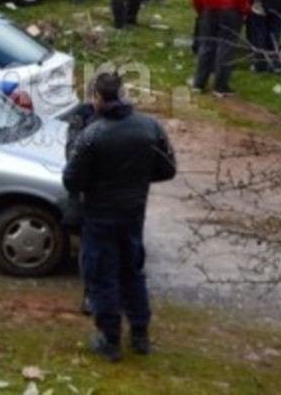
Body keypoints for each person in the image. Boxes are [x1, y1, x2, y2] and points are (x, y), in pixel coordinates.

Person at [63, 71, 177, 362]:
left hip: (100, 213)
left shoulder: (93, 135)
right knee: (132, 272)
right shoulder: (150, 127)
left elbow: (72, 179)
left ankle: (109, 338)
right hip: (133, 212)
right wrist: (136, 180)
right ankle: (140, 334)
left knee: (102, 275)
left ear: (98, 98)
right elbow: (167, 169)